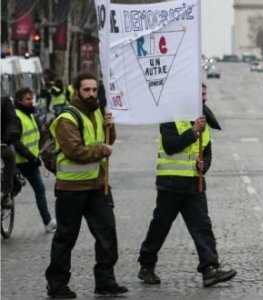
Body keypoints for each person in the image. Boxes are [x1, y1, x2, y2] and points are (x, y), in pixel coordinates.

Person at [137, 83, 236, 287]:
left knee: (202, 227)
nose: (204, 97)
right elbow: (170, 146)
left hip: (194, 184)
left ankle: (210, 269)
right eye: (201, 94)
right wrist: (193, 131)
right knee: (160, 227)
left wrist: (204, 166)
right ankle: (146, 265)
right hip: (170, 185)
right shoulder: (170, 116)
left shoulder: (203, 118)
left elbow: (206, 151)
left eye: (205, 93)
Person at [45, 73, 127, 298]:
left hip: (98, 186)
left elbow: (106, 141)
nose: (91, 94)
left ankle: (105, 281)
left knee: (107, 234)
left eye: (93, 89)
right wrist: (103, 150)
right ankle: (57, 285)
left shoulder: (99, 113)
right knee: (66, 237)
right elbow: (76, 152)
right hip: (71, 189)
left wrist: (111, 127)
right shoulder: (67, 119)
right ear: (77, 91)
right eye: (86, 90)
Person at [13, 87, 56, 232]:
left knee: (40, 190)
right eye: (27, 99)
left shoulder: (30, 115)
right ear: (19, 101)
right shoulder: (16, 116)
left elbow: (37, 137)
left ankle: (47, 221)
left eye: (32, 98)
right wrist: (31, 157)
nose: (31, 102)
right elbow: (16, 142)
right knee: (11, 192)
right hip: (17, 163)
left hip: (31, 163)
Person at [1, 96, 22, 208]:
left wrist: (6, 139)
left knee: (8, 155)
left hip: (2, 142)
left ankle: (6, 193)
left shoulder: (4, 102)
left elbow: (11, 122)